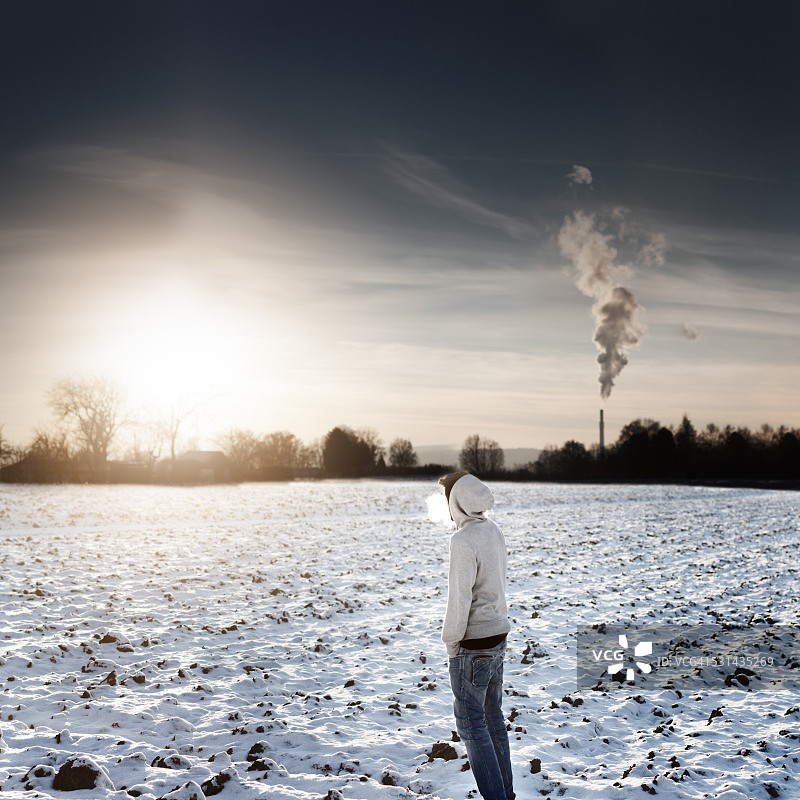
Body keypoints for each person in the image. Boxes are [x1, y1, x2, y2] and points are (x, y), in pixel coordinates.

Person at [439, 471, 515, 800]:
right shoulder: (493, 531)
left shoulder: (462, 540)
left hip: (473, 644)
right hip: (498, 635)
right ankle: (506, 795)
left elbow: (460, 598)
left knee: (471, 723)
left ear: (457, 502)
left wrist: (451, 641)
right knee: (492, 717)